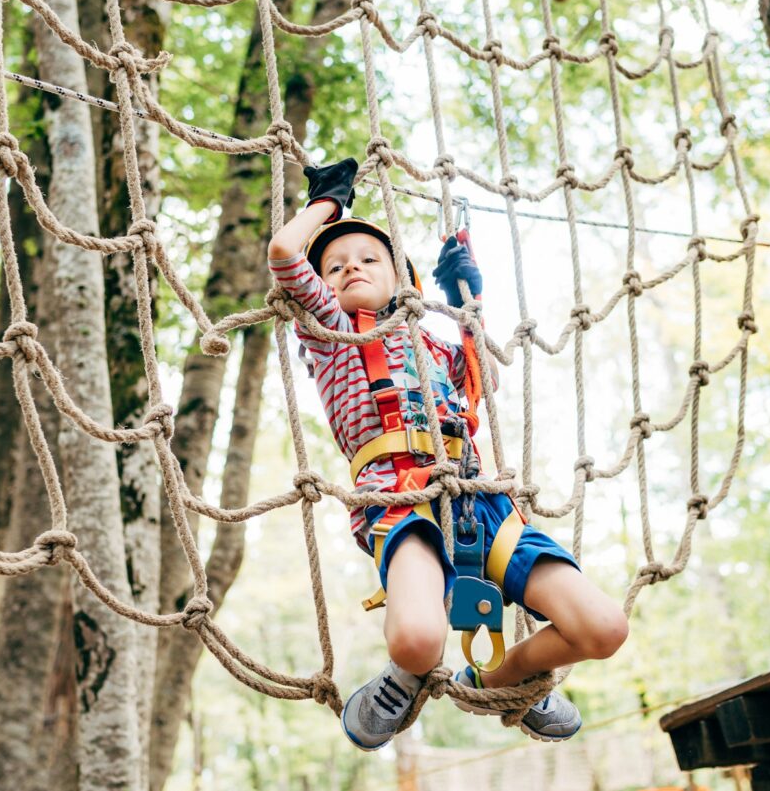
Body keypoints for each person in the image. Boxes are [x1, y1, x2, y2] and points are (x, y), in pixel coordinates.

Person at [266, 157, 629, 751]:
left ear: (402, 279)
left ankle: (499, 680)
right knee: (415, 640)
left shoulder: (435, 343)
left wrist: (468, 298)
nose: (350, 267)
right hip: (401, 501)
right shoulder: (334, 339)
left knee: (604, 628)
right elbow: (286, 253)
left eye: (367, 259)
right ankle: (407, 674)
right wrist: (329, 203)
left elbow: (483, 370)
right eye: (333, 267)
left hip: (483, 505)